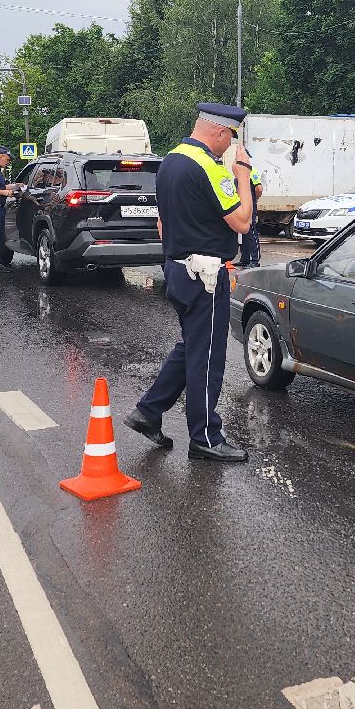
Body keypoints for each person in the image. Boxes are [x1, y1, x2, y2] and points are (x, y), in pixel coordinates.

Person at [127, 102, 255, 462]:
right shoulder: (209, 168)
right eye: (229, 137)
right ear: (218, 131)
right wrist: (242, 176)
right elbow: (243, 221)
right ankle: (205, 439)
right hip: (206, 276)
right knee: (208, 357)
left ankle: (148, 412)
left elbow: (162, 223)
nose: (229, 145)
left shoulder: (170, 160)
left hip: (178, 269)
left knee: (193, 347)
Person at [238, 163, 263, 268]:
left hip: (250, 207)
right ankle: (245, 259)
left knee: (251, 232)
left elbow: (259, 189)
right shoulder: (239, 173)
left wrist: (254, 201)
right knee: (243, 232)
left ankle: (255, 260)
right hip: (241, 207)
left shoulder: (251, 171)